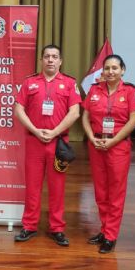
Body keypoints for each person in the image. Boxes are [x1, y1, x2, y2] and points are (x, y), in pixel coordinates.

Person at [13, 45, 81, 247]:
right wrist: (35, 130)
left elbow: (75, 113)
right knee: (32, 187)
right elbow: (19, 110)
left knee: (57, 187)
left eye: (55, 57)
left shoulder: (69, 83)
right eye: (47, 57)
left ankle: (57, 228)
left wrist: (54, 132)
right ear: (41, 60)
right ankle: (29, 226)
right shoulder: (29, 82)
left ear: (60, 61)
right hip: (34, 142)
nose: (50, 60)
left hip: (58, 143)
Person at [82, 54, 135, 253]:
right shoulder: (94, 90)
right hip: (97, 144)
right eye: (107, 68)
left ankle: (111, 235)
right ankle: (104, 228)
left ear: (122, 70)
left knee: (115, 192)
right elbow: (86, 116)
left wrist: (114, 141)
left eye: (114, 68)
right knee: (101, 191)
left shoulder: (130, 91)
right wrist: (91, 137)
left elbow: (134, 120)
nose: (110, 72)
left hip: (118, 146)